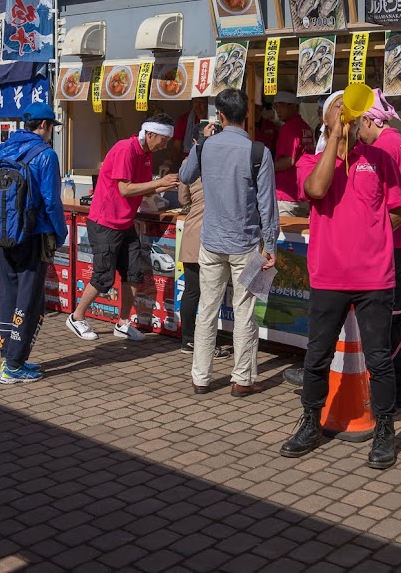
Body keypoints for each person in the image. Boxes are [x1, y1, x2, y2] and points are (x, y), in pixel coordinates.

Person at [280, 92, 401, 469]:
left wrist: (372, 238)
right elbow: (316, 191)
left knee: (379, 359)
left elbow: (398, 212)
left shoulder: (381, 158)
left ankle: (385, 429)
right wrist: (334, 139)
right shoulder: (309, 161)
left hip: (374, 277)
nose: (348, 118)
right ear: (326, 120)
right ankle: (311, 421)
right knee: (318, 356)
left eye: (350, 113)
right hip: (328, 275)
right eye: (339, 114)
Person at [179, 88, 278, 396]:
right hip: (245, 243)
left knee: (207, 309)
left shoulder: (205, 146)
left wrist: (200, 142)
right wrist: (270, 245)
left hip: (211, 241)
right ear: (245, 116)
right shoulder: (258, 152)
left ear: (219, 116)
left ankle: (201, 377)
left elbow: (184, 175)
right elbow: (267, 204)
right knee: (244, 311)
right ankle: (242, 379)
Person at [67, 114, 179, 342]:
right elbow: (125, 189)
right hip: (105, 222)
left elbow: (144, 191)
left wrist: (167, 185)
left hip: (126, 222)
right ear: (150, 134)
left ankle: (123, 323)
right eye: (164, 140)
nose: (165, 145)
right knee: (103, 276)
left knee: (134, 273)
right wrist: (160, 183)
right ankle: (77, 317)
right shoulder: (125, 149)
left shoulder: (146, 155)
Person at [0, 103, 67, 384]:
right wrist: (60, 235)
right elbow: (51, 201)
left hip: (5, 231)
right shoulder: (46, 155)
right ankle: (13, 366)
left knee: (9, 293)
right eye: (52, 128)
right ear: (45, 126)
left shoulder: (6, 149)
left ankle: (9, 353)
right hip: (33, 235)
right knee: (30, 300)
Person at [360, 90, 401, 409]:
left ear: (371, 119)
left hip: (392, 240)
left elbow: (387, 203)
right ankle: (396, 392)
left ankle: (391, 394)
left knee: (384, 323)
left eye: (361, 124)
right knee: (394, 319)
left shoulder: (382, 147)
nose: (359, 132)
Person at [176, 177, 230, 360]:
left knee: (192, 291)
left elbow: (183, 200)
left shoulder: (189, 164)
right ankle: (202, 344)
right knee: (208, 294)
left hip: (193, 232)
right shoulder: (222, 162)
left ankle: (188, 340)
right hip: (213, 236)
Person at [272, 92, 315, 218]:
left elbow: (288, 161)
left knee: (284, 236)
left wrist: (266, 167)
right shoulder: (305, 127)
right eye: (276, 106)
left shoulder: (289, 128)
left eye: (281, 106)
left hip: (287, 194)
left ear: (293, 106)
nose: (278, 110)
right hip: (303, 192)